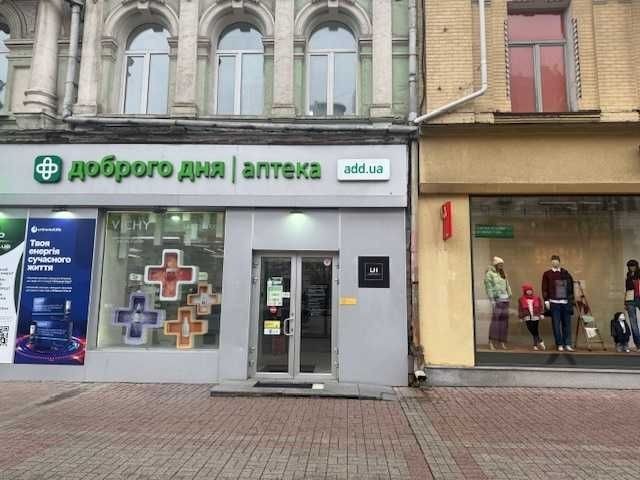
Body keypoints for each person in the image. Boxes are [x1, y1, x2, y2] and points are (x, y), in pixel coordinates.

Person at [541, 255, 575, 352]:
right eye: (553, 261)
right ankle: (559, 344)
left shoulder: (565, 272)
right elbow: (544, 287)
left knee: (567, 324)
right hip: (554, 302)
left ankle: (567, 344)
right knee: (556, 325)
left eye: (556, 261)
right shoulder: (547, 274)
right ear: (551, 262)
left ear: (559, 262)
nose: (555, 263)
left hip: (565, 302)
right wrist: (546, 300)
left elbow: (571, 286)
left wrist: (571, 299)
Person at [484, 257, 511, 350]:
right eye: (500, 264)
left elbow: (507, 285)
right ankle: (491, 342)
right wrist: (492, 300)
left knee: (504, 323)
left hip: (505, 300)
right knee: (495, 322)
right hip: (497, 300)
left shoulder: (502, 273)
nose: (501, 265)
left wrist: (509, 295)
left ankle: (502, 342)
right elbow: (489, 287)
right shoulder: (489, 274)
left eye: (502, 264)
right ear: (495, 264)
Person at [518, 284, 546, 351]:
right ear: (525, 291)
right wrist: (520, 317)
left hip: (535, 316)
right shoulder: (521, 299)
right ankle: (540, 340)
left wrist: (541, 314)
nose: (529, 291)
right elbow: (520, 308)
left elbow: (540, 306)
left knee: (535, 330)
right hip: (527, 316)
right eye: (528, 290)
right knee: (531, 329)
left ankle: (535, 345)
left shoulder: (536, 298)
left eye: (530, 290)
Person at [623, 259, 640, 351]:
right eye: (630, 266)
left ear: (636, 266)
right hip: (630, 300)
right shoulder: (628, 276)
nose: (632, 268)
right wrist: (625, 302)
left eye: (633, 266)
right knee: (633, 324)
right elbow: (627, 290)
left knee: (634, 323)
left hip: (639, 298)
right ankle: (638, 345)